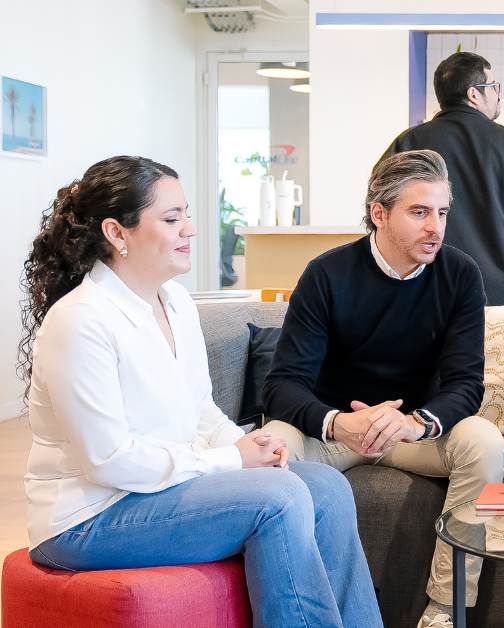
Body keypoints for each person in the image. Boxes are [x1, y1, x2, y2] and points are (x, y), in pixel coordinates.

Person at [20, 156, 382, 628]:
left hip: (159, 491)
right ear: (116, 232)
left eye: (186, 215)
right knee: (278, 497)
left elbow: (200, 410)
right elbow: (108, 461)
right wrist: (231, 461)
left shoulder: (175, 303)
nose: (190, 229)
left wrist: (250, 444)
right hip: (89, 517)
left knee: (327, 487)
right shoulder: (80, 321)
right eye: (172, 219)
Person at [261, 150, 504, 628]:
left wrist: (416, 423)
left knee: (485, 442)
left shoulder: (459, 274)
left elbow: (465, 384)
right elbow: (283, 385)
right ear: (379, 213)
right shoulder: (326, 274)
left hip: (412, 432)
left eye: (442, 212)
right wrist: (338, 423)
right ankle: (305, 611)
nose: (435, 228)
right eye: (419, 212)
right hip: (334, 432)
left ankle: (445, 609)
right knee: (272, 445)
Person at [377, 51, 504, 305]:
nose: (497, 95)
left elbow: (380, 218)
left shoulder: (407, 144)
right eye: (494, 86)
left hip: (425, 295)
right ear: (474, 94)